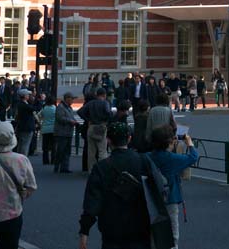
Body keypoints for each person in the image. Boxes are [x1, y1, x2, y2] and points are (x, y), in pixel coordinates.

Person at [79, 121, 171, 249]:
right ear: (129, 139)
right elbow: (161, 186)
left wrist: (84, 232)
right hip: (140, 225)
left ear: (108, 140)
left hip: (112, 228)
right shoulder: (143, 161)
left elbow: (92, 202)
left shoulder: (101, 167)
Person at [147, 125, 199, 248]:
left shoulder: (147, 156)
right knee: (172, 233)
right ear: (169, 142)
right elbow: (193, 157)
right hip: (170, 198)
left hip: (151, 198)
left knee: (152, 232)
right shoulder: (171, 158)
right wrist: (190, 143)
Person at [78, 87, 113, 169]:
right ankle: (102, 169)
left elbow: (80, 112)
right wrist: (107, 119)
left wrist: (88, 119)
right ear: (104, 95)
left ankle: (92, 170)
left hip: (92, 126)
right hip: (101, 126)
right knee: (102, 150)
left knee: (91, 152)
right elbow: (108, 112)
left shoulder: (91, 103)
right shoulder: (105, 103)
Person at [54, 93, 80, 173]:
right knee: (61, 150)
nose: (72, 100)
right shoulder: (61, 107)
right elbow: (60, 118)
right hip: (62, 132)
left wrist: (73, 121)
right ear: (67, 98)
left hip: (68, 132)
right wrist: (71, 121)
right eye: (71, 99)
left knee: (67, 150)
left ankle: (64, 167)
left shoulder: (69, 108)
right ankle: (58, 166)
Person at [39, 95, 57, 164]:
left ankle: (45, 160)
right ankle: (53, 160)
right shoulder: (55, 108)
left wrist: (40, 123)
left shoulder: (44, 108)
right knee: (53, 146)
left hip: (45, 128)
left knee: (45, 146)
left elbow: (39, 115)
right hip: (53, 128)